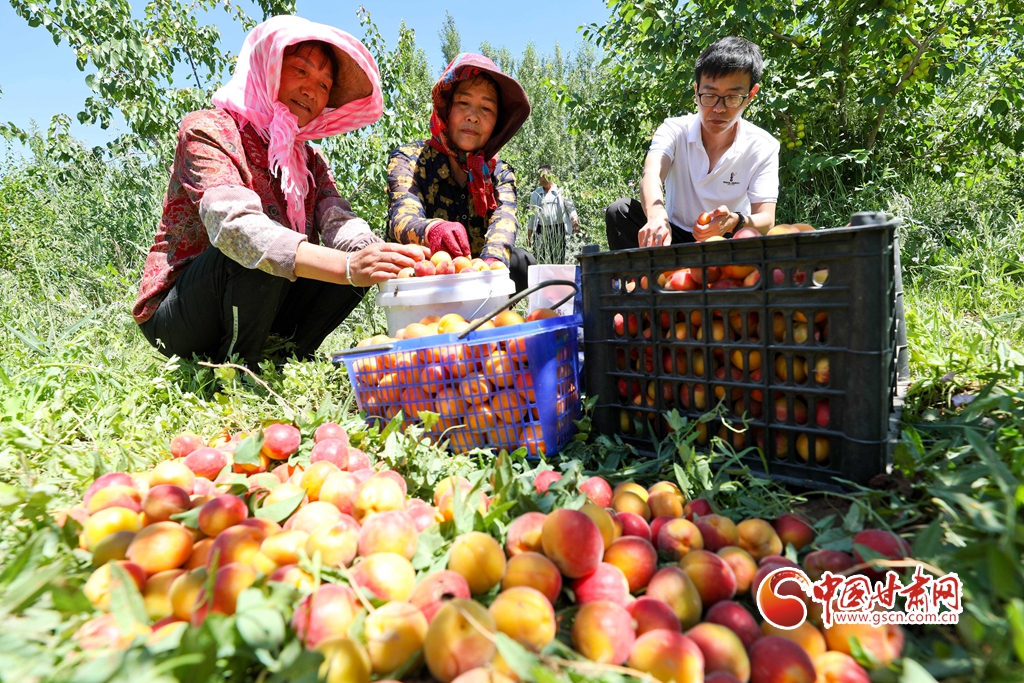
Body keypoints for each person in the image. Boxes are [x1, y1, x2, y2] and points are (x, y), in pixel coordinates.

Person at [133, 16, 428, 367]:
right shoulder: (208, 129)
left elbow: (339, 222)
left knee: (366, 258)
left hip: (262, 303)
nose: (311, 90)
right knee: (256, 247)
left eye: (323, 84)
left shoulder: (309, 160)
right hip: (181, 315)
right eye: (300, 71)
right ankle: (238, 369)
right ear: (269, 69)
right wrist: (348, 265)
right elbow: (235, 226)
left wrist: (383, 258)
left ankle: (288, 356)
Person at [605, 36, 779, 250]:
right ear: (696, 92)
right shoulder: (674, 129)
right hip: (673, 239)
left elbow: (766, 219)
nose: (719, 108)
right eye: (710, 95)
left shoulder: (763, 146)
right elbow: (651, 174)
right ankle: (645, 272)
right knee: (620, 211)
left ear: (751, 95)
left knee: (749, 240)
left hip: (724, 242)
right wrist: (657, 216)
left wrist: (734, 221)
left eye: (733, 97)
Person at [387, 53, 534, 293]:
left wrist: (490, 266)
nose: (473, 117)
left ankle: (495, 313)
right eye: (463, 103)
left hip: (479, 279)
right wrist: (433, 230)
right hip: (427, 277)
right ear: (446, 108)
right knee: (411, 259)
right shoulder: (410, 159)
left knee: (521, 261)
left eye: (486, 108)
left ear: (497, 123)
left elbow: (504, 224)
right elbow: (402, 218)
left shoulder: (500, 173)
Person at [527, 165, 579, 265]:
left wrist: (575, 222)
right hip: (541, 230)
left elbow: (571, 208)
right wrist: (529, 236)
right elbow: (531, 216)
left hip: (558, 229)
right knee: (539, 258)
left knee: (558, 258)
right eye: (539, 176)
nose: (541, 179)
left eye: (544, 176)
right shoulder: (535, 194)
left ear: (550, 175)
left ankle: (558, 275)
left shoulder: (561, 191)